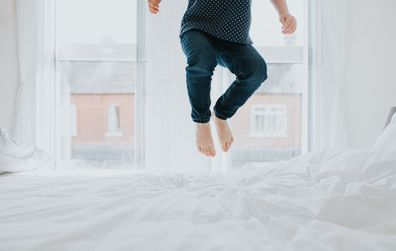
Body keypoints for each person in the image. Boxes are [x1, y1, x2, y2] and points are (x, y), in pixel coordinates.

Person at [148, 0, 297, 157]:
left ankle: (221, 114)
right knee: (201, 61)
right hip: (197, 27)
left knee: (256, 70)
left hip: (234, 36)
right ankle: (201, 121)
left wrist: (283, 12)